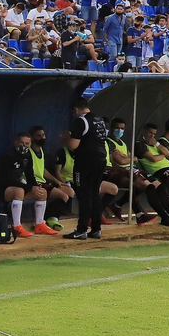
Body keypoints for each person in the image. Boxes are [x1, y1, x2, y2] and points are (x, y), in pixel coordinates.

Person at [0, 130, 54, 238]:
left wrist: (35, 186)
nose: (24, 146)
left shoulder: (28, 155)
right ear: (16, 142)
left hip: (18, 187)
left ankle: (39, 224)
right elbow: (9, 180)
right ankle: (17, 227)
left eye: (27, 144)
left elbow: (30, 175)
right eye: (22, 143)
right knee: (19, 191)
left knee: (42, 192)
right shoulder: (8, 155)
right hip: (0, 188)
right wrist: (29, 187)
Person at [65, 98, 110, 240]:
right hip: (101, 159)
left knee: (84, 195)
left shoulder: (80, 121)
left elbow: (73, 145)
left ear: (76, 109)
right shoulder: (99, 119)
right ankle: (96, 229)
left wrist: (66, 139)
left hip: (85, 161)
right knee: (94, 193)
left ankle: (81, 229)